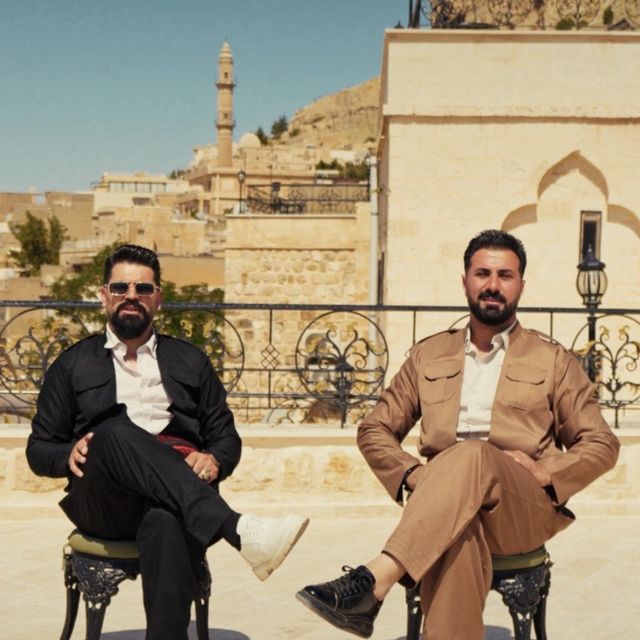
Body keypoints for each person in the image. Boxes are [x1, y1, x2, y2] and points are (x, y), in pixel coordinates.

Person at [296, 229, 619, 640]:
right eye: (483, 273)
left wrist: (546, 472)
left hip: (520, 507)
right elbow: (375, 428)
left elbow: (602, 444)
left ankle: (376, 578)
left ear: (521, 285)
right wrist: (412, 474)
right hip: (446, 505)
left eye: (505, 275)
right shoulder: (428, 354)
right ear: (465, 280)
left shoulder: (552, 359)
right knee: (458, 535)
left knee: (472, 453)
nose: (493, 285)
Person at [27, 244, 308, 640]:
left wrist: (214, 459)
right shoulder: (72, 365)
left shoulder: (190, 360)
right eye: (120, 287)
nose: (131, 296)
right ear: (104, 295)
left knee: (167, 520)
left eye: (143, 289)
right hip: (105, 502)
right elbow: (38, 449)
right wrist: (67, 453)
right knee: (112, 431)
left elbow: (226, 436)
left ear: (158, 299)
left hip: (174, 499)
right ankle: (236, 528)